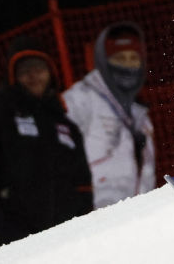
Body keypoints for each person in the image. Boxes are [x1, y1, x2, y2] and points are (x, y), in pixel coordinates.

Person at [0, 35, 93, 249]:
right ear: (13, 75)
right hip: (14, 238)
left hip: (67, 238)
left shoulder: (65, 124)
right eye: (25, 71)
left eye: (39, 69)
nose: (33, 76)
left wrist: (86, 224)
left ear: (50, 73)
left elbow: (82, 182)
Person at [63, 21, 156, 208]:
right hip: (93, 217)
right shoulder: (81, 98)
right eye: (120, 58)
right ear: (104, 61)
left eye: (133, 58)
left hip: (136, 216)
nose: (128, 65)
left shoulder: (139, 114)